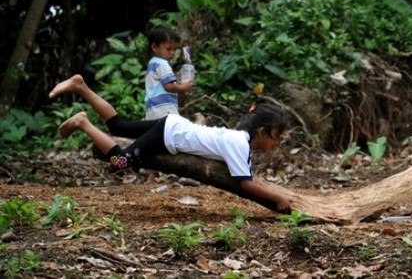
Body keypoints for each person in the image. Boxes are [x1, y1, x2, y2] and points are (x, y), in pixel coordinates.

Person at [49, 74, 293, 213]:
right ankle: (83, 122)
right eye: (276, 137)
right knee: (120, 161)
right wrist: (278, 199)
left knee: (118, 126)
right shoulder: (239, 144)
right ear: (262, 132)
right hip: (169, 134)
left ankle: (80, 86)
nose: (277, 143)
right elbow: (246, 184)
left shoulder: (238, 140)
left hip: (172, 125)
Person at [145, 26, 194, 120]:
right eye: (168, 49)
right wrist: (183, 87)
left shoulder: (152, 63)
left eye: (174, 50)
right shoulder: (162, 63)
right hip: (164, 111)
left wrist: (178, 87)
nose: (172, 53)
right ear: (154, 47)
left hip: (153, 111)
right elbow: (168, 86)